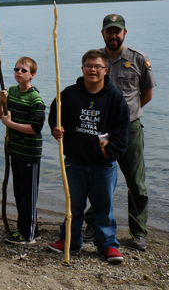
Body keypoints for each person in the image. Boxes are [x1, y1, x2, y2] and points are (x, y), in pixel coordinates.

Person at [47, 49, 130, 264]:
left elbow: (121, 134)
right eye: (88, 66)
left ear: (105, 70)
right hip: (74, 163)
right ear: (82, 68)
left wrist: (107, 153)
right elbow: (55, 116)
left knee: (104, 208)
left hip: (104, 166)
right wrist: (56, 129)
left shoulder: (115, 98)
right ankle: (69, 241)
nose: (92, 70)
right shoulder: (68, 94)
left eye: (97, 66)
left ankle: (108, 245)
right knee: (72, 207)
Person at [83, 14, 157, 251]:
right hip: (102, 132)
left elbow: (146, 94)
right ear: (102, 33)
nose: (113, 36)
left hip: (130, 130)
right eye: (109, 31)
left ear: (124, 33)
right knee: (99, 176)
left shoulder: (138, 58)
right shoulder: (96, 59)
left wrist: (124, 118)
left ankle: (138, 232)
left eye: (117, 31)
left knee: (136, 181)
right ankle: (93, 223)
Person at [0, 57, 46, 244]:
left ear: (32, 75)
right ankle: (29, 228)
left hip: (29, 153)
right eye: (16, 69)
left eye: (24, 70)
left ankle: (28, 234)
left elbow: (35, 128)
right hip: (14, 150)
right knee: (19, 192)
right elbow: (0, 115)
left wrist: (10, 124)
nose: (19, 72)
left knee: (28, 195)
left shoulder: (35, 98)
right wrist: (0, 100)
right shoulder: (12, 91)